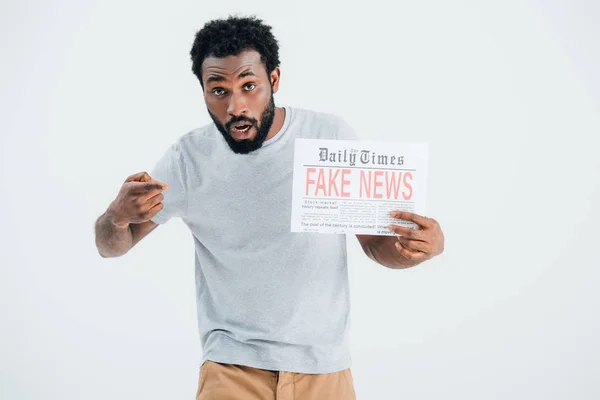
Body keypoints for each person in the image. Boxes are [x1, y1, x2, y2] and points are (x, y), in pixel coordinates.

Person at [94, 15, 445, 400]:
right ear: (203, 90)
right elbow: (114, 245)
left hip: (323, 368)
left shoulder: (329, 138)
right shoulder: (188, 159)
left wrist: (416, 250)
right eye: (218, 90)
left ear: (273, 80)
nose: (235, 106)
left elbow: (376, 245)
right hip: (232, 367)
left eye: (249, 86)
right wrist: (116, 215)